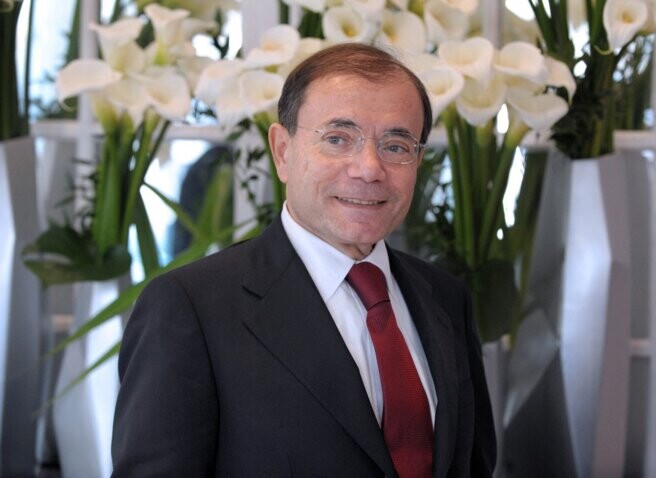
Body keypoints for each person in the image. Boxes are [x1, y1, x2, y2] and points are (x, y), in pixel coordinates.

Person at [111, 43, 496, 477]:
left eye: (395, 144)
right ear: (282, 151)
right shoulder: (190, 308)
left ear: (418, 160)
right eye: (337, 139)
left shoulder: (446, 298)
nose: (369, 168)